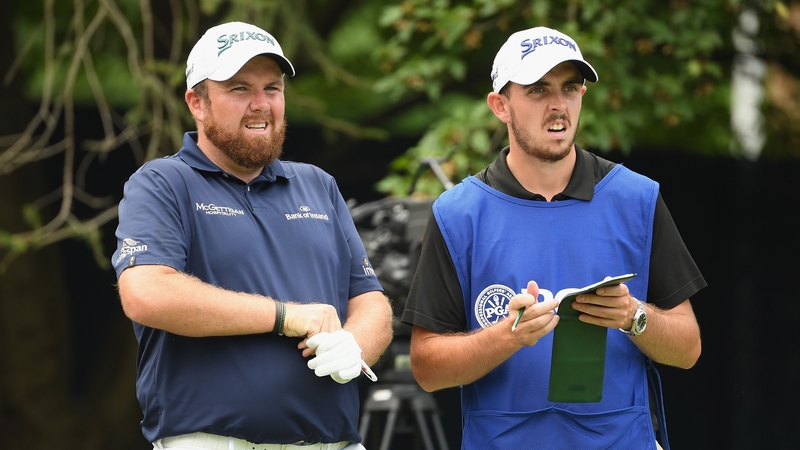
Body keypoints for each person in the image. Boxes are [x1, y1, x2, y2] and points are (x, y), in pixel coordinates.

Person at [401, 26, 705, 449]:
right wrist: (508, 336)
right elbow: (427, 369)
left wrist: (633, 315)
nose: (558, 105)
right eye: (538, 90)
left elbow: (688, 348)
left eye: (570, 87)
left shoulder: (637, 198)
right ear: (500, 105)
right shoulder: (458, 213)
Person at [112, 21, 393, 450]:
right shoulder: (163, 183)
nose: (261, 105)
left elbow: (370, 301)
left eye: (272, 88)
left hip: (334, 442)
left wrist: (355, 347)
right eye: (239, 89)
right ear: (197, 102)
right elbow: (146, 293)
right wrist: (284, 316)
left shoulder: (318, 185)